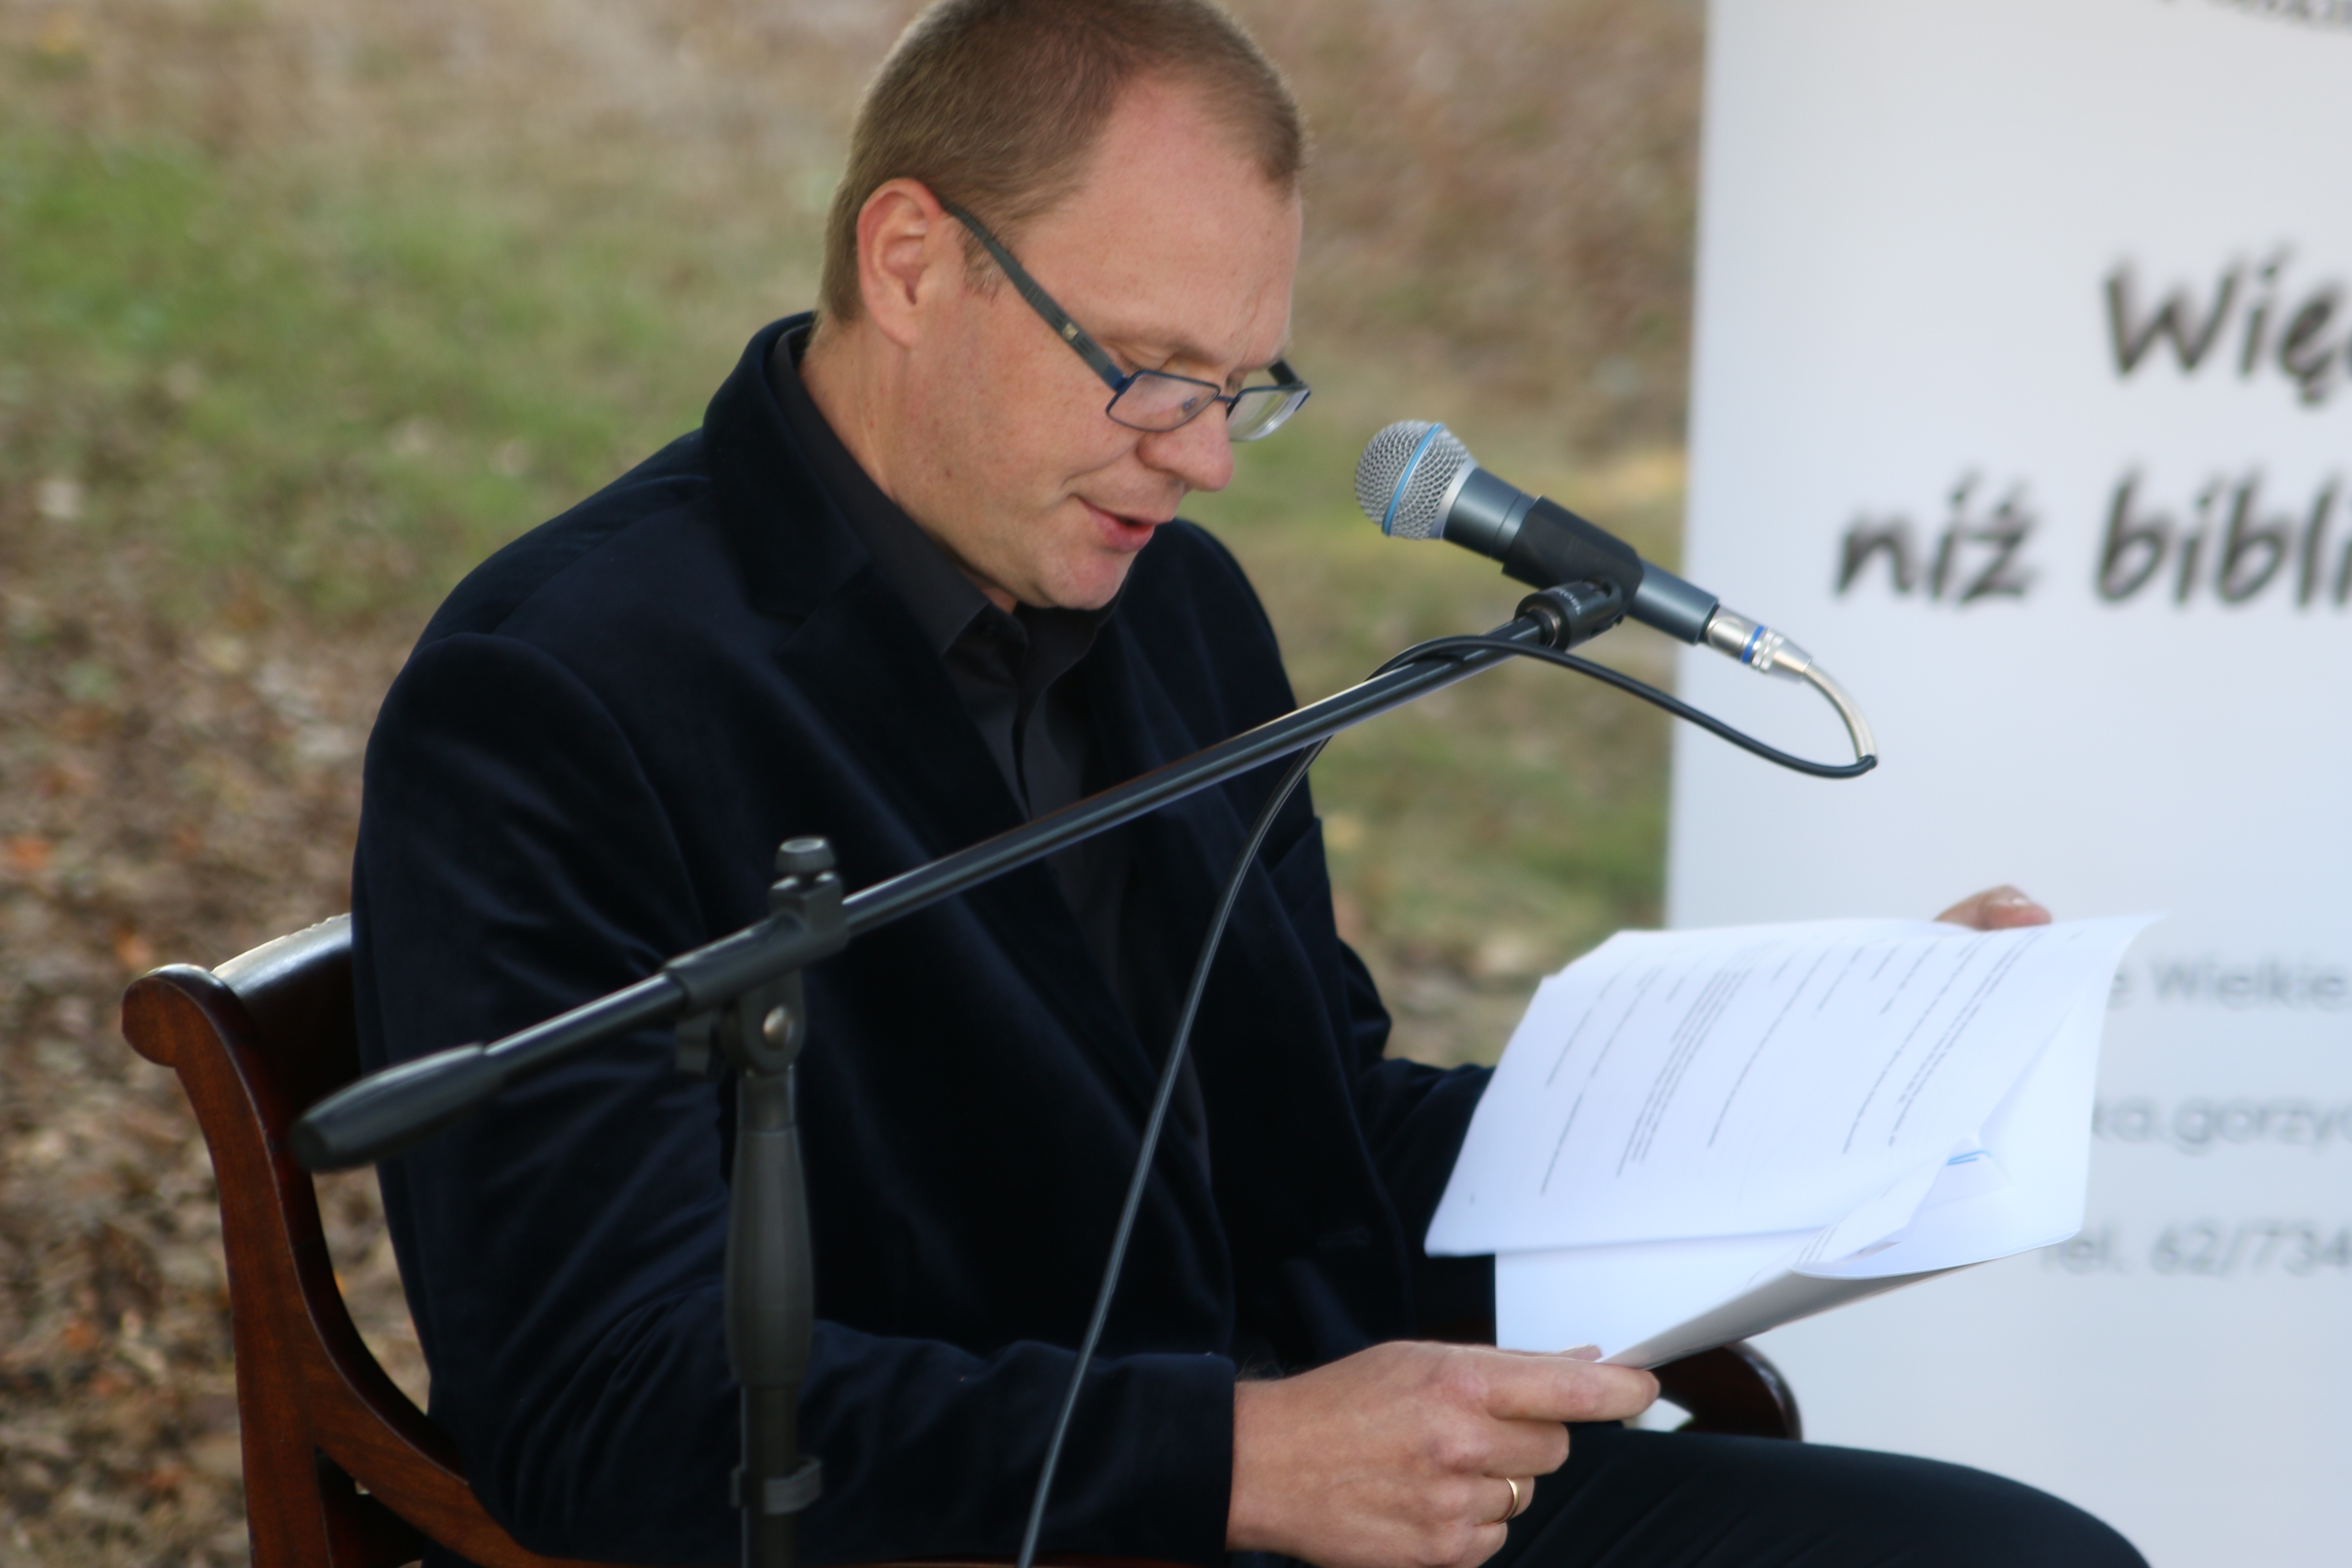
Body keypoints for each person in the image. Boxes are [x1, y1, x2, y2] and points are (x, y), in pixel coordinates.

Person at [350, 3, 2146, 1565]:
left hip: (1310, 1494)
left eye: (1241, 384)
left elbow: (1315, 1148)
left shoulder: (1174, 607)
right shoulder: (565, 693)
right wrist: (1245, 1460)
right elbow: (603, 1405)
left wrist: (1815, 1134)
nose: (1204, 457)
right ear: (909, 263)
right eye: (1147, 372)